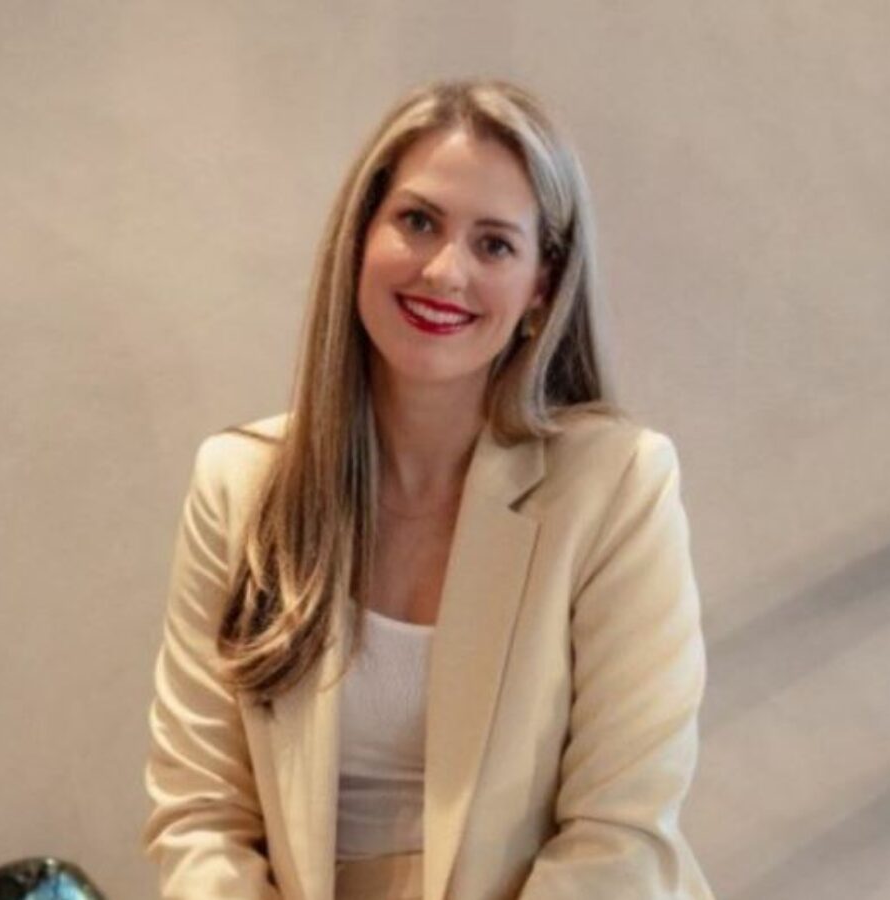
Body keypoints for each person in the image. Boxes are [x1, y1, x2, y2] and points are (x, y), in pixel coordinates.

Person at [141, 78, 715, 900]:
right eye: (417, 222)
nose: (445, 271)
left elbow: (619, 833)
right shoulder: (238, 484)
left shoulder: (618, 485)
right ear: (359, 238)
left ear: (541, 287)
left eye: (495, 244)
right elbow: (203, 819)